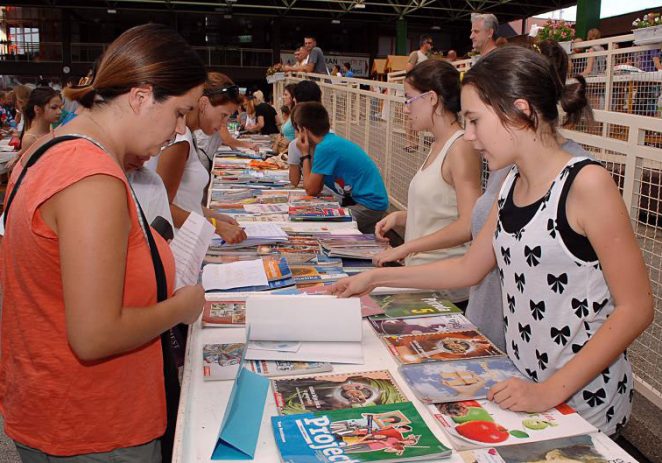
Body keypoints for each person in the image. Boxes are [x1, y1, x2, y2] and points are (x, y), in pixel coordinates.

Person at [330, 46, 653, 437]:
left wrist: (548, 391)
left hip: (581, 402)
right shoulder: (510, 183)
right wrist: (377, 280)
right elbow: (469, 267)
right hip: (522, 386)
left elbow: (636, 308)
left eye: (475, 121)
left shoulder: (587, 184)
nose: (469, 136)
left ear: (520, 112)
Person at [0, 23, 207, 461]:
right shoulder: (90, 179)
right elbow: (93, 336)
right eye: (179, 112)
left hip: (67, 410)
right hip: (93, 425)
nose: (176, 131)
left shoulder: (56, 150)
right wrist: (182, 307)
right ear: (141, 97)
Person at [372, 60, 482, 306]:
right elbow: (442, 210)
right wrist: (402, 217)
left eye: (409, 99)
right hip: (424, 279)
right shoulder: (437, 145)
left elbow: (469, 223)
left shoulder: (461, 147)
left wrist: (406, 247)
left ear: (432, 98)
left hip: (446, 289)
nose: (406, 109)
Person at [149, 72, 247, 244]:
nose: (224, 123)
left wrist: (214, 215)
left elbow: (186, 201)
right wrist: (216, 225)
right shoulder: (180, 141)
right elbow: (163, 206)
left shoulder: (188, 137)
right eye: (223, 115)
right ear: (203, 104)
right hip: (178, 244)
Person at [293, 101, 389, 234]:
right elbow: (316, 187)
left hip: (368, 205)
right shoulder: (328, 142)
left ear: (303, 129)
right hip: (364, 202)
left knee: (318, 227)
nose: (295, 135)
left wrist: (304, 154)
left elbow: (311, 189)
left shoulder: (325, 148)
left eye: (297, 130)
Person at [287, 80, 323, 186]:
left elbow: (295, 181)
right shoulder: (331, 138)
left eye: (294, 97)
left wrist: (305, 156)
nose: (292, 99)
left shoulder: (296, 145)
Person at [18, 86, 62, 153]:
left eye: (60, 107)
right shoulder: (30, 140)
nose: (59, 112)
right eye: (54, 108)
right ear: (37, 109)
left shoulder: (51, 129)